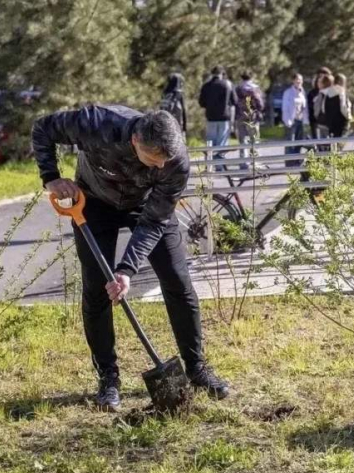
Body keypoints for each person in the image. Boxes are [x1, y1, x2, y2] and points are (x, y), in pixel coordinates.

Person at [32, 105, 230, 411]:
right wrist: (51, 177)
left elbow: (154, 222)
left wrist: (126, 270)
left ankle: (196, 368)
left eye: (165, 160)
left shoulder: (174, 161)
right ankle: (108, 378)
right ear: (136, 140)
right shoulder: (96, 124)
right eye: (154, 159)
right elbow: (43, 128)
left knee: (178, 281)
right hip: (93, 202)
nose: (161, 166)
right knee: (96, 288)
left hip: (148, 207)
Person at [198, 66, 237, 172]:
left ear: (212, 73)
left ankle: (209, 166)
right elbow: (234, 100)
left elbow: (201, 102)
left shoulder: (206, 86)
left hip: (211, 117)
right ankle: (219, 166)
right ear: (222, 73)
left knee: (210, 141)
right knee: (222, 142)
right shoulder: (228, 84)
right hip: (224, 117)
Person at [233, 72, 266, 171]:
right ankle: (255, 162)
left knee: (242, 141)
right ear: (251, 78)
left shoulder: (237, 88)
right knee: (254, 140)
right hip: (252, 117)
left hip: (240, 117)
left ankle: (243, 164)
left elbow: (234, 102)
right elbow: (260, 103)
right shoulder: (254, 88)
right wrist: (259, 110)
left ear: (242, 78)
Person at [282, 72, 308, 168]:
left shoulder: (303, 92)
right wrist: (287, 121)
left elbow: (305, 107)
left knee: (299, 142)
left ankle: (296, 161)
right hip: (291, 121)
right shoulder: (288, 92)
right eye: (297, 79)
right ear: (293, 81)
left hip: (300, 120)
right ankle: (289, 163)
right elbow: (285, 108)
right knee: (290, 142)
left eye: (300, 79)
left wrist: (306, 121)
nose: (299, 81)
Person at [315, 72, 352, 139]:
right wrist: (348, 116)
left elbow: (323, 108)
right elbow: (343, 107)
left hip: (330, 122)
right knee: (341, 142)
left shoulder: (327, 92)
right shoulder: (341, 92)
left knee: (332, 142)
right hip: (341, 123)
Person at [306, 66, 332, 140]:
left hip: (328, 121)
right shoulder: (313, 93)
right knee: (318, 140)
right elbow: (310, 107)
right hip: (315, 121)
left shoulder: (331, 92)